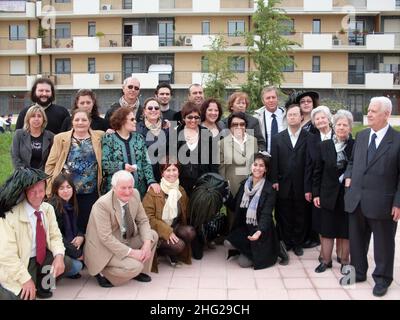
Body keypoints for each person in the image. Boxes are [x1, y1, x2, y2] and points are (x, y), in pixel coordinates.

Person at [340, 97, 400, 297]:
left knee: (383, 245)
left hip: (383, 203)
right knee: (356, 242)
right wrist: (348, 177)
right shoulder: (362, 135)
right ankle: (357, 272)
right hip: (356, 199)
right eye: (369, 110)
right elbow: (352, 162)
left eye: (374, 111)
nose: (369, 114)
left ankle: (382, 279)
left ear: (386, 114)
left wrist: (398, 203)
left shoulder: (397, 140)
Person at [0, 168, 72, 300]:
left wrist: (59, 256)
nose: (38, 195)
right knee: (23, 296)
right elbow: (7, 254)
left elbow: (55, 236)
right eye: (33, 191)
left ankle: (42, 286)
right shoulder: (10, 216)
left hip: (40, 258)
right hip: (21, 262)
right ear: (25, 192)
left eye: (41, 190)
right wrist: (25, 279)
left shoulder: (47, 209)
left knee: (66, 262)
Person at [84, 170, 158, 288]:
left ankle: (139, 272)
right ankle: (102, 272)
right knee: (135, 266)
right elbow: (106, 238)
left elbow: (143, 220)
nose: (128, 192)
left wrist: (147, 244)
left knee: (152, 235)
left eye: (130, 187)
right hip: (104, 247)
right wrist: (133, 253)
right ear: (113, 187)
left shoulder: (135, 194)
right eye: (123, 188)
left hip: (123, 238)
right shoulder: (102, 205)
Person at [45, 109, 104, 233]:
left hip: (90, 191)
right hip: (67, 192)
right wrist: (50, 186)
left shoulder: (100, 136)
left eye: (84, 120)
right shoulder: (61, 138)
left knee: (87, 226)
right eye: (77, 120)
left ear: (90, 122)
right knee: (68, 226)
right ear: (72, 122)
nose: (80, 123)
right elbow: (50, 165)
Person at [312, 110, 354, 274]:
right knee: (327, 229)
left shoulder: (355, 145)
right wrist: (316, 194)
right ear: (333, 126)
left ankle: (344, 262)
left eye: (345, 125)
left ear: (350, 127)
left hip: (347, 196)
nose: (341, 127)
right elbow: (317, 172)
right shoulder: (324, 145)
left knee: (345, 231)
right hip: (327, 194)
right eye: (339, 124)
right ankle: (326, 261)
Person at [224, 153, 281, 269]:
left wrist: (259, 231)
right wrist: (225, 195)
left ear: (266, 169)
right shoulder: (245, 185)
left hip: (261, 231)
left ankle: (274, 249)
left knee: (243, 263)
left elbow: (266, 215)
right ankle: (248, 248)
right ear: (251, 167)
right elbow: (235, 206)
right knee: (227, 243)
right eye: (255, 165)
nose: (257, 168)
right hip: (245, 228)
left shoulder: (269, 189)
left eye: (261, 166)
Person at [142, 158, 196, 270]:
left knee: (190, 232)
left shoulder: (180, 190)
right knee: (179, 245)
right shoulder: (153, 191)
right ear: (162, 173)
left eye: (174, 169)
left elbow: (186, 213)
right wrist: (167, 232)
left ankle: (173, 251)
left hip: (174, 226)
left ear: (178, 172)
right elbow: (148, 218)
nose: (172, 173)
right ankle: (161, 251)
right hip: (157, 232)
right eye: (168, 170)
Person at [270, 104, 309, 257]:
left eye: (295, 114)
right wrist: (274, 179)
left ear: (301, 117)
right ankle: (286, 241)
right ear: (286, 118)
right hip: (282, 183)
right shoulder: (278, 138)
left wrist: (308, 186)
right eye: (290, 115)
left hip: (301, 184)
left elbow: (310, 163)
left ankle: (298, 243)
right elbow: (274, 161)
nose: (292, 117)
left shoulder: (309, 138)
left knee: (300, 214)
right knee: (283, 214)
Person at [102, 107, 160, 198]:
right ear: (122, 121)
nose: (135, 122)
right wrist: (122, 166)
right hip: (116, 192)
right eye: (132, 119)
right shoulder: (109, 138)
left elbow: (146, 162)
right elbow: (104, 164)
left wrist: (151, 181)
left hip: (138, 191)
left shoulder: (139, 138)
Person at [219, 112, 258, 227]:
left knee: (251, 216)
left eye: (242, 124)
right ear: (229, 127)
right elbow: (221, 169)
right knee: (233, 217)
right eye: (235, 124)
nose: (239, 127)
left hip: (252, 185)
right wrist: (225, 188)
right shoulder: (222, 143)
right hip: (233, 186)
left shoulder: (254, 141)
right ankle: (232, 239)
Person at [172, 101, 218, 196]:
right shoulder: (175, 134)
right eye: (190, 117)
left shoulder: (206, 134)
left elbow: (213, 162)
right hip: (180, 183)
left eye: (196, 117)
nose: (193, 120)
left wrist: (212, 182)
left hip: (202, 183)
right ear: (184, 118)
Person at [304, 106, 334, 252]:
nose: (321, 120)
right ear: (314, 122)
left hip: (336, 186)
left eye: (323, 117)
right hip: (318, 186)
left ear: (329, 119)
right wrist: (309, 189)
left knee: (337, 219)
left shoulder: (339, 134)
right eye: (317, 118)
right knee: (320, 220)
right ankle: (324, 251)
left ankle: (341, 253)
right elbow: (309, 165)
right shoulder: (312, 139)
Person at [47, 173, 85, 279]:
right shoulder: (52, 207)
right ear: (56, 190)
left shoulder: (72, 204)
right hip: (55, 249)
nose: (66, 191)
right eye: (61, 188)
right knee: (77, 266)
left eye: (68, 187)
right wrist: (77, 253)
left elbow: (79, 226)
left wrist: (81, 236)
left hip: (69, 245)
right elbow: (57, 236)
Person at [11, 104, 54, 170]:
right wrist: (28, 175)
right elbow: (15, 157)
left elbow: (52, 159)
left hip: (44, 175)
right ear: (28, 119)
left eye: (39, 116)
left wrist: (42, 176)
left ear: (43, 119)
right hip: (22, 174)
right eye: (33, 116)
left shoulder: (50, 136)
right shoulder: (18, 134)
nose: (36, 119)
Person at [136, 98, 169, 182]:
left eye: (156, 108)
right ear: (144, 111)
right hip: (144, 176)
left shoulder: (167, 127)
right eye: (150, 108)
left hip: (164, 175)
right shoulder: (136, 128)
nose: (153, 110)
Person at [253, 86, 286, 153]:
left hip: (285, 157)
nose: (271, 100)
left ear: (277, 98)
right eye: (268, 98)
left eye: (273, 97)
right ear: (263, 101)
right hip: (265, 158)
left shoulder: (287, 115)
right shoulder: (256, 118)